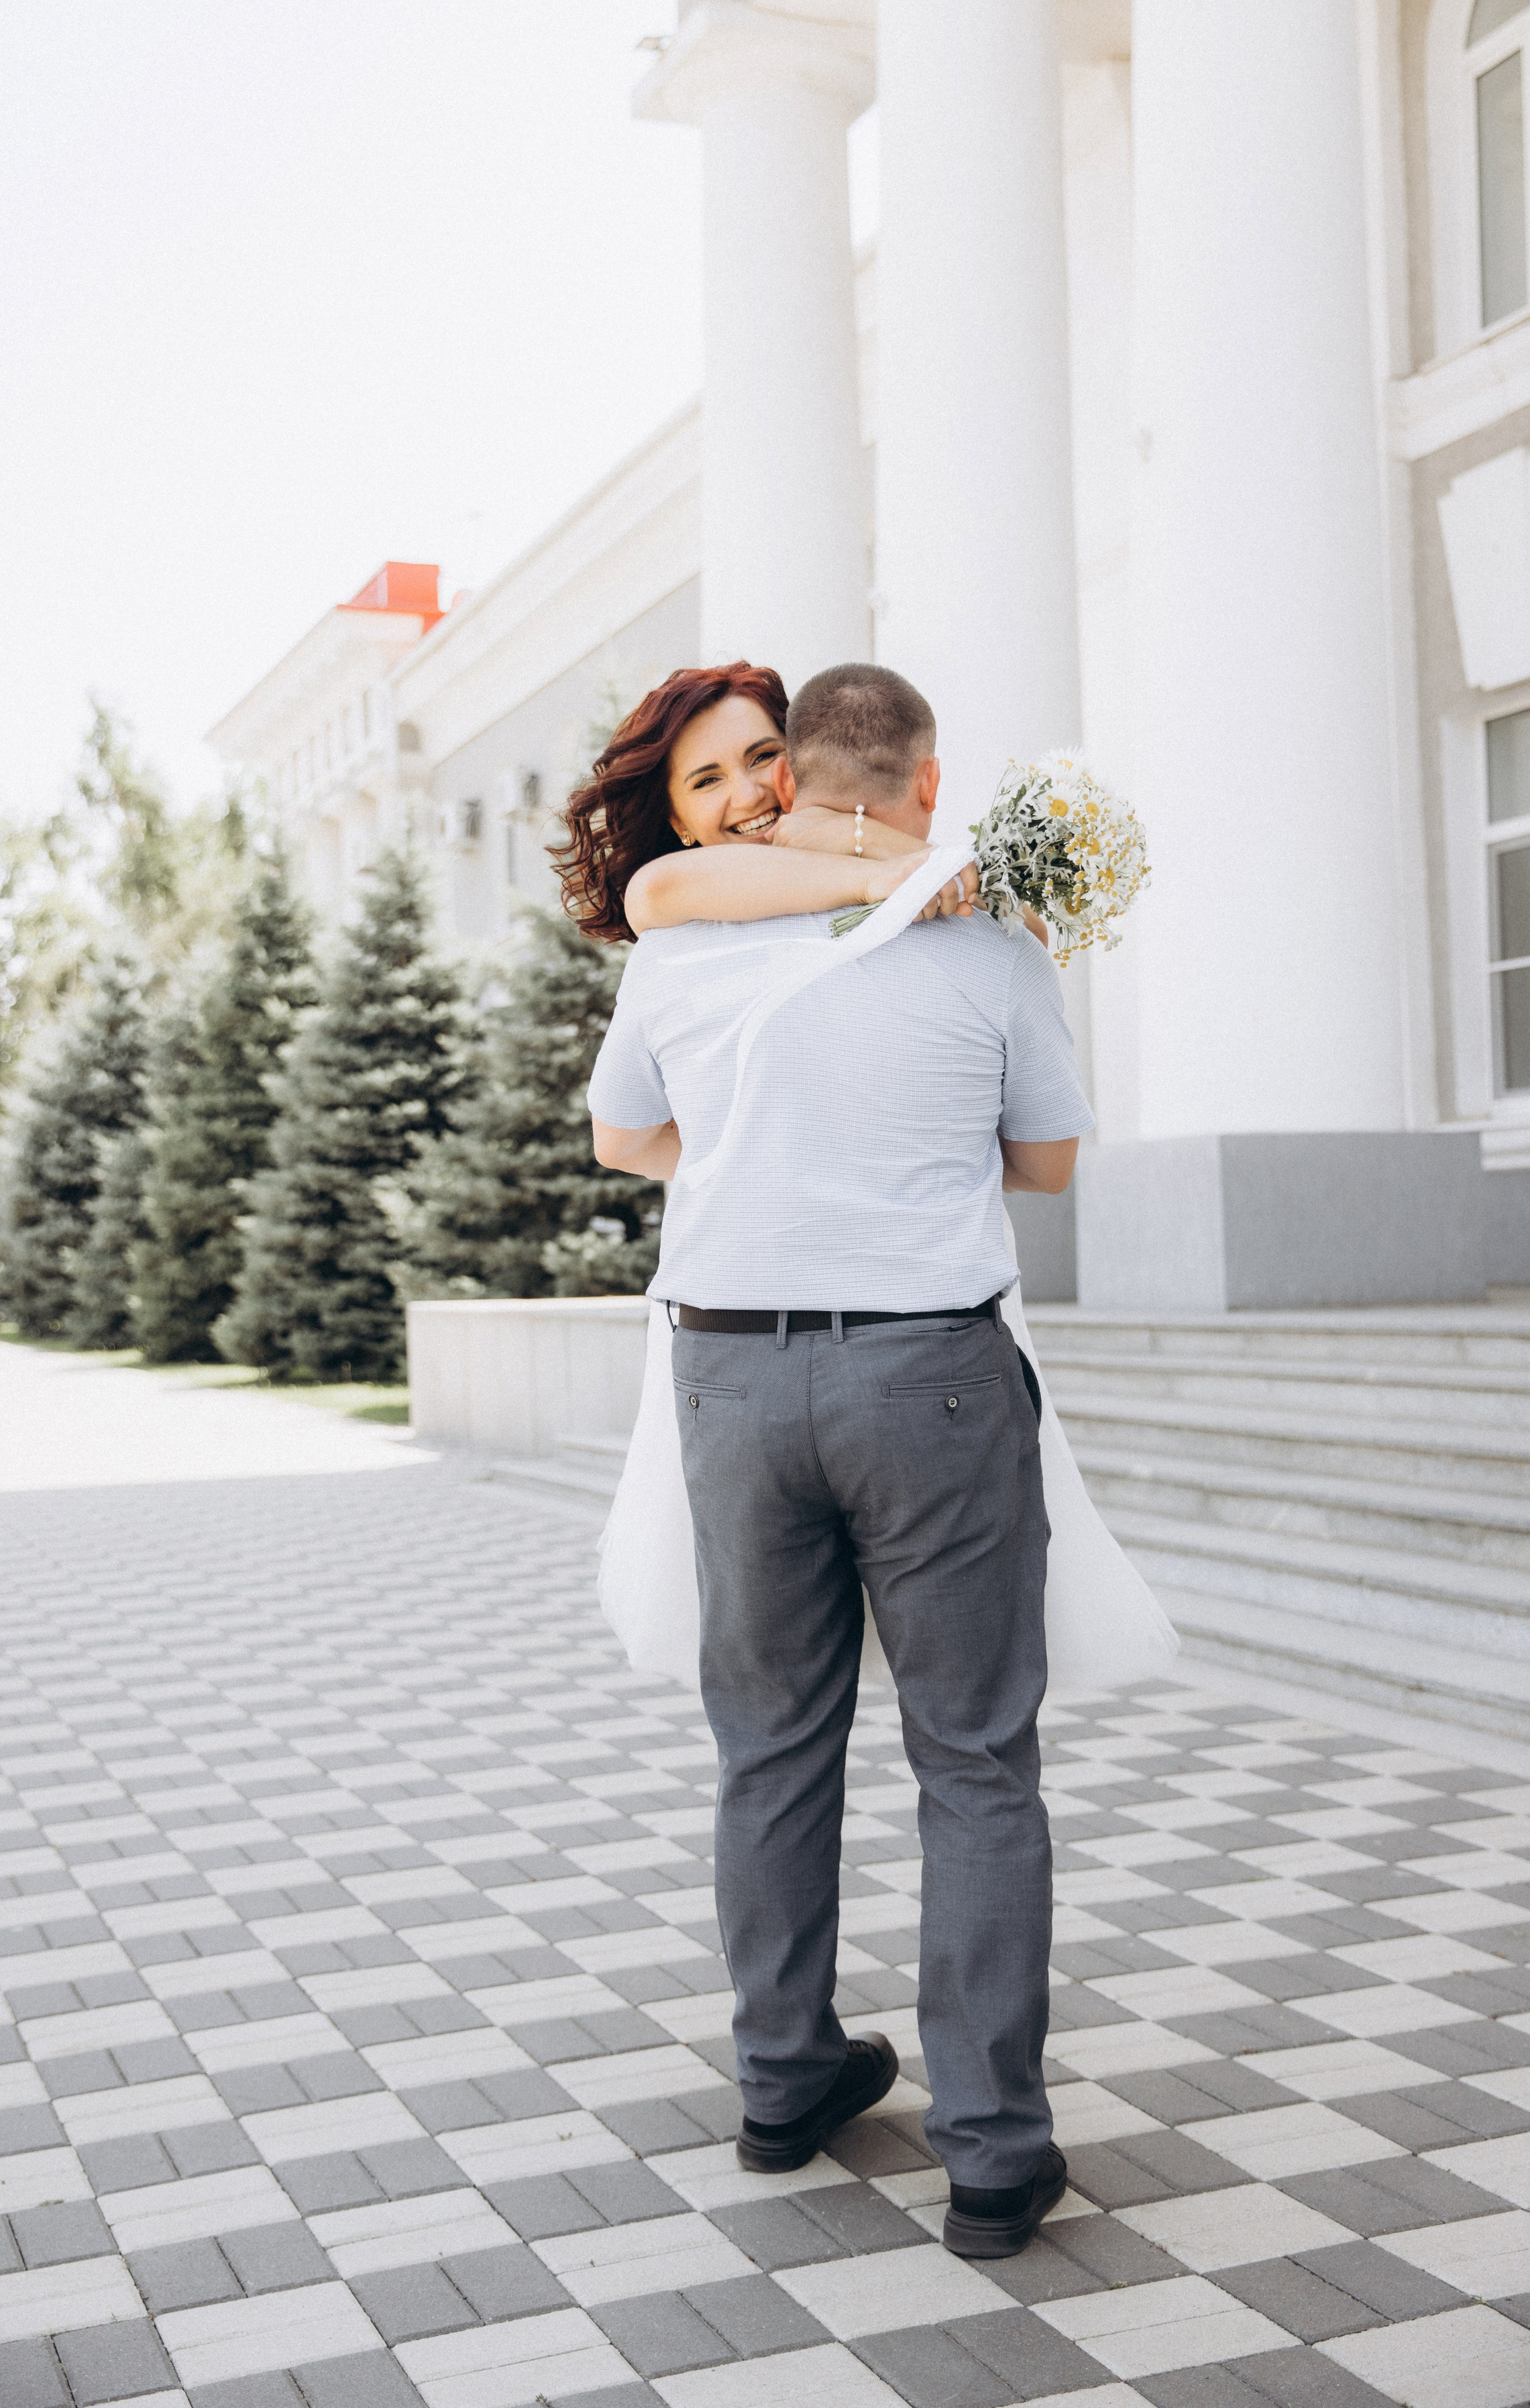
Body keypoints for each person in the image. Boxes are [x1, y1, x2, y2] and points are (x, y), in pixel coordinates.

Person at [557, 658, 1099, 2260]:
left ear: (801, 772)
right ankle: (991, 2150)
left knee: (771, 1745)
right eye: (713, 774)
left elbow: (617, 1135)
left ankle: (786, 2077)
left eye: (759, 762)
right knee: (975, 1758)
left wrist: (739, 1146)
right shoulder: (981, 938)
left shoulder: (679, 953)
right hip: (926, 1378)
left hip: (732, 1373)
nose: (743, 791)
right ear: (921, 782)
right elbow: (1049, 1167)